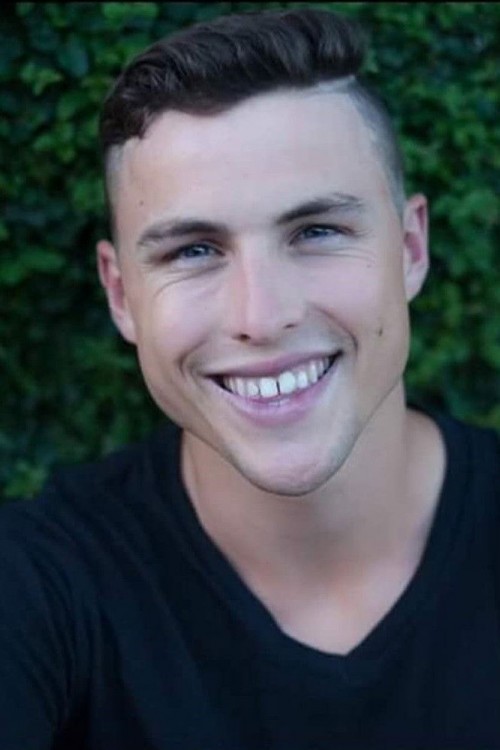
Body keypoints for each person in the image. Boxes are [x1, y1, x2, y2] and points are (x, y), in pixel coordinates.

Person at [1, 7, 498, 749]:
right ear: (121, 294)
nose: (261, 317)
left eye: (317, 232)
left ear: (410, 249)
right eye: (194, 251)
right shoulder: (35, 585)